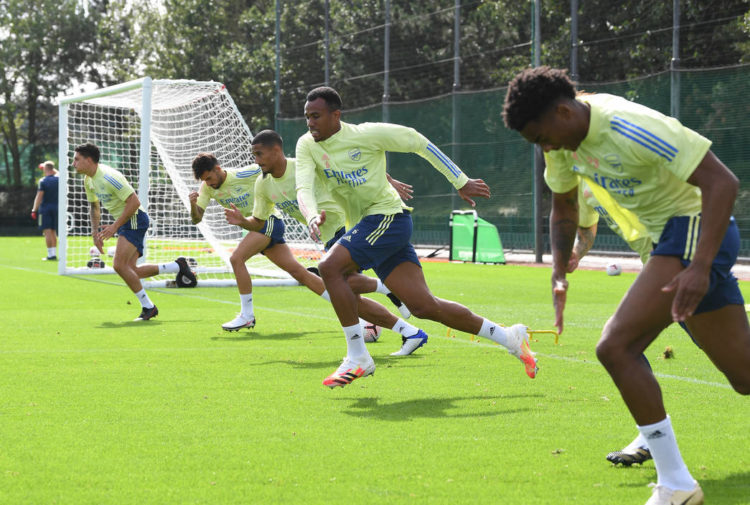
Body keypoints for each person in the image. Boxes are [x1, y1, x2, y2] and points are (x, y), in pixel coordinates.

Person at [503, 66, 750, 505]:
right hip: (668, 244)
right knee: (745, 376)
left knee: (615, 347)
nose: (545, 148)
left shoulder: (630, 125)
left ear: (563, 112)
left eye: (542, 138)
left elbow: (722, 182)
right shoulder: (561, 143)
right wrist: (559, 272)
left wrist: (699, 266)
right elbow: (563, 204)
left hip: (695, 228)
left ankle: (676, 484)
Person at [295, 86, 537, 388]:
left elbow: (416, 141)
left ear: (336, 115)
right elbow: (303, 188)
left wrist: (459, 180)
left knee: (330, 268)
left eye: (316, 116)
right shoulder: (307, 145)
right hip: (371, 227)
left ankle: (358, 357)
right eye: (307, 117)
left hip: (388, 218)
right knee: (423, 307)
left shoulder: (366, 134)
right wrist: (310, 214)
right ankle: (510, 337)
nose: (310, 123)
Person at [190, 143, 415, 344]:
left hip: (268, 222)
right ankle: (374, 300)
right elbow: (197, 218)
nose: (208, 184)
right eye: (204, 181)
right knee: (303, 275)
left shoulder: (250, 172)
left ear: (218, 169)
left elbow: (343, 169)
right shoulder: (206, 188)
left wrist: (388, 180)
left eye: (209, 178)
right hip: (261, 226)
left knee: (236, 258)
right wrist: (193, 205)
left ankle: (247, 315)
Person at [73, 142, 196, 321]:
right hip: (126, 222)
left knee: (119, 265)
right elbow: (94, 206)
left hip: (135, 220)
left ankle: (149, 307)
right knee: (132, 272)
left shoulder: (109, 177)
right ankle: (178, 266)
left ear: (89, 160)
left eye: (77, 159)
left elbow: (134, 202)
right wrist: (95, 233)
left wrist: (114, 226)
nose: (73, 163)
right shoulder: (88, 180)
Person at [31, 161, 59, 260]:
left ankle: (50, 255)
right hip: (57, 208)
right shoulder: (59, 179)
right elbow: (57, 172)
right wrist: (50, 168)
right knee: (53, 232)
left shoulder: (43, 181)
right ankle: (54, 253)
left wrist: (34, 209)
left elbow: (39, 196)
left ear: (45, 169)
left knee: (47, 231)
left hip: (45, 209)